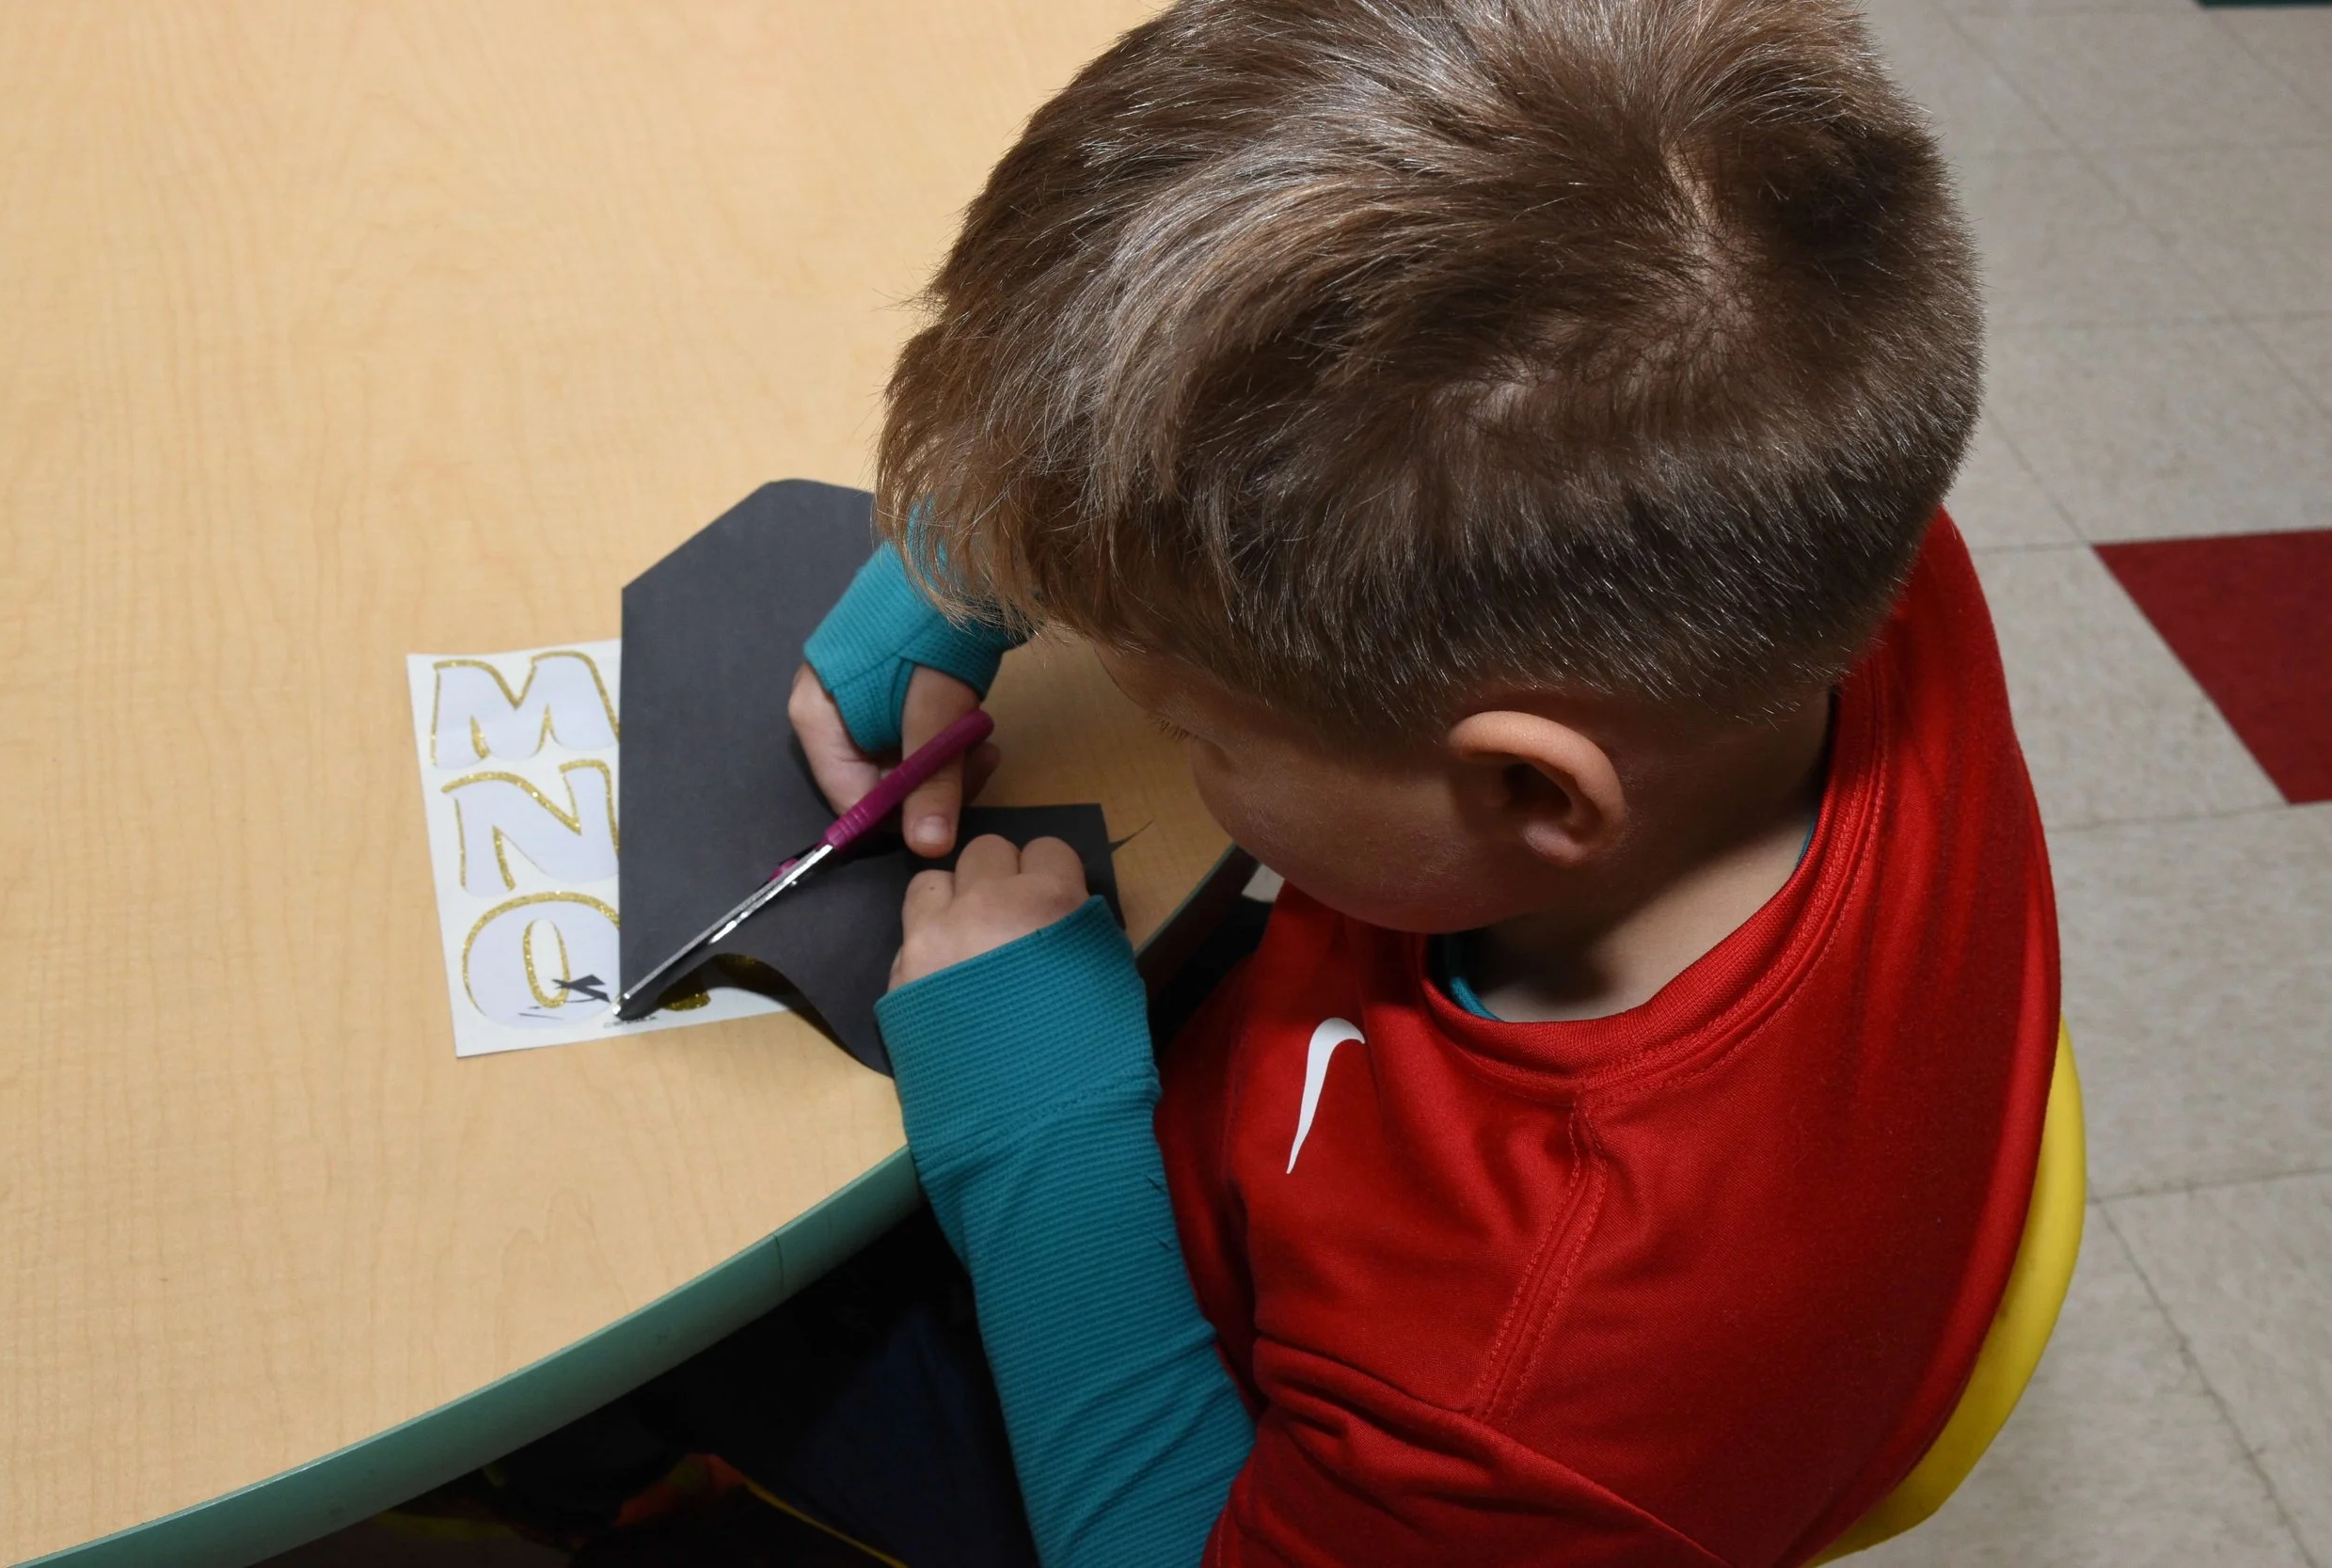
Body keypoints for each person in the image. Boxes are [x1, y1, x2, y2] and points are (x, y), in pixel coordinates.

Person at [788, 0, 2059, 1563]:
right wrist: (1001, 527)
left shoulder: (1517, 1379)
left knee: (734, 1354)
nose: (1183, 749)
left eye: (1199, 733)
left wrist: (1036, 1116)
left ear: (1533, 792)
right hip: (1321, 1154)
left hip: (1260, 1422)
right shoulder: (1784, 520)